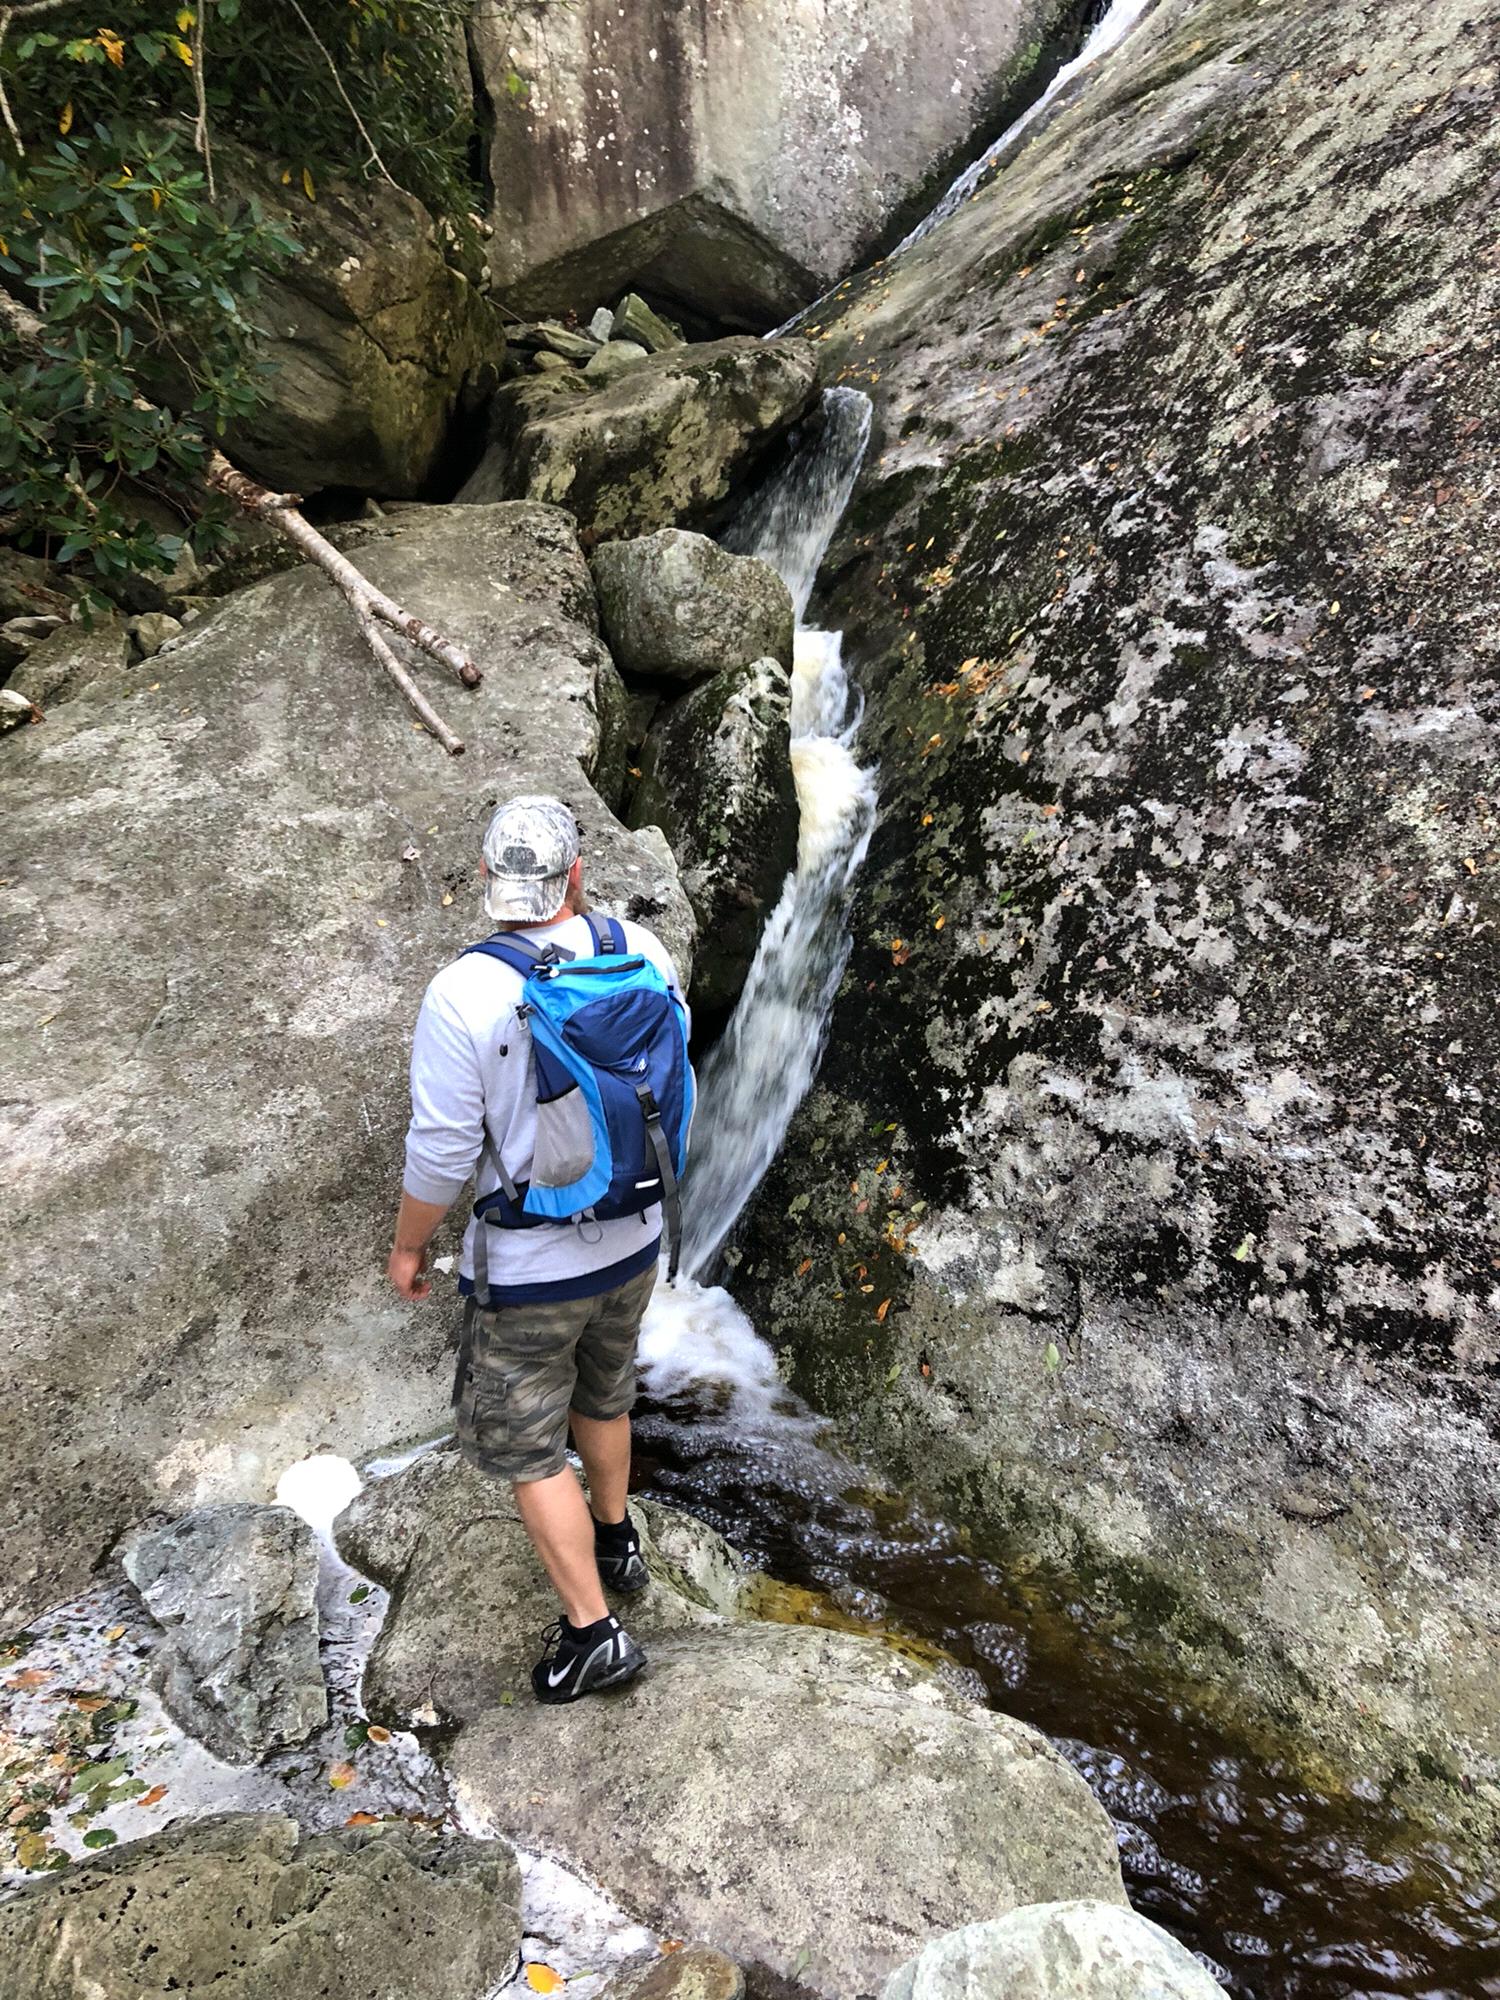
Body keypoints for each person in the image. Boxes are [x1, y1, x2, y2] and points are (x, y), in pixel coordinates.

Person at [387, 795, 692, 1703]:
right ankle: (615, 1534)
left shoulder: (464, 993)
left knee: (526, 1445)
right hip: (636, 1236)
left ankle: (594, 1632)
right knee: (605, 1391)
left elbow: (442, 1147)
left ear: (489, 883)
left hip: (530, 1266)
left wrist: (410, 1248)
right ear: (577, 877)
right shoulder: (641, 950)